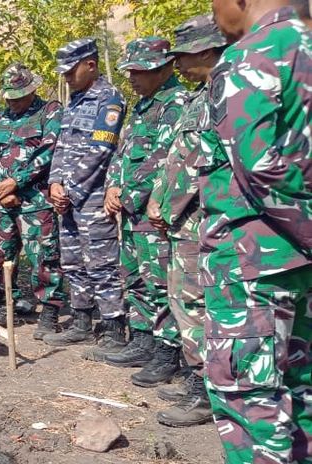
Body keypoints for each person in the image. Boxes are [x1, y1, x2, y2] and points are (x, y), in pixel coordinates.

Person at [167, 1, 312, 464]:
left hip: (256, 251)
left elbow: (259, 165)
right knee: (298, 380)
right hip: (295, 261)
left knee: (248, 384)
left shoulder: (253, 54)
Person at [146, 16, 228, 428]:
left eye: (182, 57)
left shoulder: (224, 91)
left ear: (207, 51)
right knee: (186, 302)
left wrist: (168, 205)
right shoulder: (205, 92)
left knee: (197, 304)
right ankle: (200, 383)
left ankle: (207, 393)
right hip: (187, 223)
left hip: (204, 223)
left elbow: (200, 163)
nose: (176, 65)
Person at [92, 38, 188, 377]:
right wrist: (113, 186)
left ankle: (167, 353)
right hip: (132, 211)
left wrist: (129, 194)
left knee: (160, 283)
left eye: (139, 71)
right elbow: (123, 154)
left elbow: (164, 158)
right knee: (135, 278)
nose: (132, 77)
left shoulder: (175, 103)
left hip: (154, 210)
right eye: (129, 70)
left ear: (164, 68)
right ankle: (144, 339)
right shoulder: (145, 105)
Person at [43, 38, 126, 348]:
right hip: (66, 198)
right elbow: (61, 148)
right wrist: (54, 185)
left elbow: (100, 150)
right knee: (74, 261)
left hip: (92, 195)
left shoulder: (109, 100)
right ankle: (81, 320)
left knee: (101, 263)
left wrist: (70, 189)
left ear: (90, 65)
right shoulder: (75, 101)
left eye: (70, 71)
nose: (66, 78)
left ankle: (113, 329)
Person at [0, 63, 66, 337]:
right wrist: (3, 188)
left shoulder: (49, 112)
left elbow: (49, 151)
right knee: (0, 254)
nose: (12, 102)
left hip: (36, 201)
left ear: (32, 90)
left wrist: (18, 182)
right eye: (9, 98)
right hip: (5, 203)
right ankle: (6, 302)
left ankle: (49, 310)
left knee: (44, 256)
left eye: (18, 97)